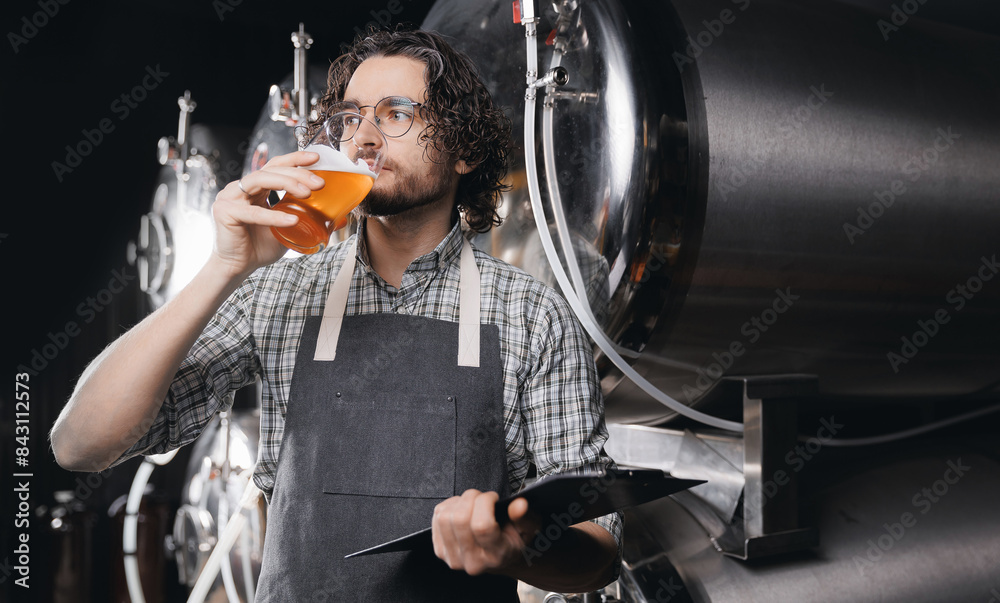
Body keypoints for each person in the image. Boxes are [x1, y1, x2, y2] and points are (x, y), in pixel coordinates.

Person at [50, 28, 622, 600]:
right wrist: (222, 268)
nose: (364, 138)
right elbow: (80, 444)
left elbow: (597, 551)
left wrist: (516, 551)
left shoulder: (535, 317)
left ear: (465, 149)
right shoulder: (277, 294)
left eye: (396, 113)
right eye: (351, 117)